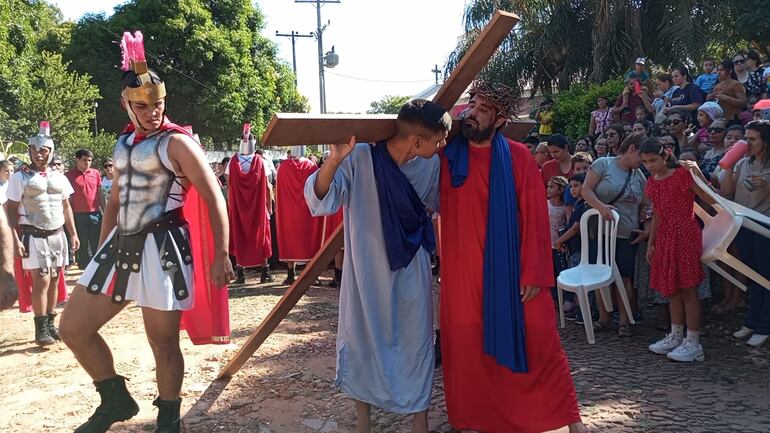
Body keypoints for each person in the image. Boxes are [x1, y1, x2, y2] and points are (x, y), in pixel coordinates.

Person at [58, 31, 234, 433]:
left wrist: (220, 252)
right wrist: (103, 247)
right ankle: (115, 399)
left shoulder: (178, 143)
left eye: (158, 104)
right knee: (73, 328)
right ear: (126, 103)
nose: (153, 112)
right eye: (143, 105)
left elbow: (214, 197)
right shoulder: (122, 143)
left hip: (164, 248)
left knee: (163, 342)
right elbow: (116, 200)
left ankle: (169, 419)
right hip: (121, 244)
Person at [439, 82, 586, 433]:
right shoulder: (446, 157)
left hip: (513, 269)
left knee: (540, 334)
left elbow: (535, 216)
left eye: (483, 109)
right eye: (472, 104)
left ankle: (569, 417)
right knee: (466, 341)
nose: (471, 113)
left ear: (501, 119)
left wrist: (534, 273)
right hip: (463, 271)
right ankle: (473, 417)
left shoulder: (518, 156)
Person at [305, 99, 450, 433]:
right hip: (366, 272)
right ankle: (363, 423)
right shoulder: (360, 157)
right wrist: (334, 160)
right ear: (416, 141)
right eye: (439, 140)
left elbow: (438, 202)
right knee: (362, 341)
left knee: (417, 342)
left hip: (411, 267)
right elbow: (319, 199)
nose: (443, 146)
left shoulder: (430, 164)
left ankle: (420, 421)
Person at [4, 122, 79, 346]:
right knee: (42, 280)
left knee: (55, 279)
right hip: (33, 234)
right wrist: (16, 239)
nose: (38, 154)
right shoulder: (20, 177)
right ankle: (40, 326)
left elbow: (66, 207)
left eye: (43, 150)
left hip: (57, 233)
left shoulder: (59, 177)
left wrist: (73, 233)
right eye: (34, 150)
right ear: (29, 151)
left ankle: (50, 323)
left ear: (51, 151)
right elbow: (10, 210)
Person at [641, 137, 711, 362]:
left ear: (665, 155)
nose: (650, 165)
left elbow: (709, 198)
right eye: (645, 162)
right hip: (665, 235)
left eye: (653, 160)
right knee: (671, 288)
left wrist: (697, 173)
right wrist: (651, 243)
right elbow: (658, 213)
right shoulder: (653, 181)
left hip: (686, 233)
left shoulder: (682, 175)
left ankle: (693, 341)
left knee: (688, 288)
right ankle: (676, 334)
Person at [582, 133, 648, 337]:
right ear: (632, 149)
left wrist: (646, 229)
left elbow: (645, 205)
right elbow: (586, 190)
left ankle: (625, 320)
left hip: (627, 232)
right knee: (602, 274)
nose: (643, 162)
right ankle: (604, 318)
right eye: (642, 157)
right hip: (601, 231)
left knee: (625, 277)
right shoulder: (604, 164)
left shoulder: (639, 175)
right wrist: (602, 207)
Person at [721, 120, 770, 348]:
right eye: (746, 138)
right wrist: (728, 167)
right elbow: (727, 192)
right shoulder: (741, 163)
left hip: (764, 228)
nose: (746, 143)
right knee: (753, 276)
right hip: (743, 225)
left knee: (766, 277)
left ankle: (764, 325)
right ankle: (752, 321)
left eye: (752, 139)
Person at [227, 126, 273, 284]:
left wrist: (231, 206)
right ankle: (264, 272)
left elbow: (229, 185)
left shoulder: (232, 162)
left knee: (240, 235)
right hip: (258, 207)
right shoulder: (260, 161)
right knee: (262, 236)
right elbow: (267, 186)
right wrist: (269, 207)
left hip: (238, 207)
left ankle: (241, 273)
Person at [276, 150, 324, 284]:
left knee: (289, 238)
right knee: (309, 239)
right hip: (308, 209)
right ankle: (312, 276)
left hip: (288, 209)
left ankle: (291, 274)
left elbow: (278, 189)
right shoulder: (311, 165)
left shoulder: (283, 167)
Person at [65, 148, 103, 268]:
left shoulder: (95, 173)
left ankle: (96, 267)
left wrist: (106, 210)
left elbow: (100, 193)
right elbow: (66, 199)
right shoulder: (68, 176)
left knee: (97, 242)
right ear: (77, 160)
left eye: (90, 160)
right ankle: (83, 269)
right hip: (77, 215)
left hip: (95, 213)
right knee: (81, 243)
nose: (87, 163)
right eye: (84, 160)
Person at [708, 60, 747, 124]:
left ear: (730, 70)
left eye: (722, 70)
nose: (719, 72)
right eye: (718, 70)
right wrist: (709, 98)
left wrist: (727, 98)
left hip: (733, 119)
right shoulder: (717, 86)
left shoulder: (735, 84)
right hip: (720, 120)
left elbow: (743, 102)